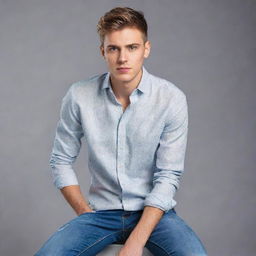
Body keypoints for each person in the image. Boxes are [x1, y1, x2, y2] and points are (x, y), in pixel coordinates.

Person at [35, 6, 207, 256]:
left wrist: (135, 242)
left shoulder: (171, 99)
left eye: (132, 47)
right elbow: (60, 161)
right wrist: (84, 213)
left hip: (155, 216)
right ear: (103, 51)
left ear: (146, 49)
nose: (122, 58)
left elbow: (168, 176)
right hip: (101, 215)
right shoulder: (79, 96)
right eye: (114, 48)